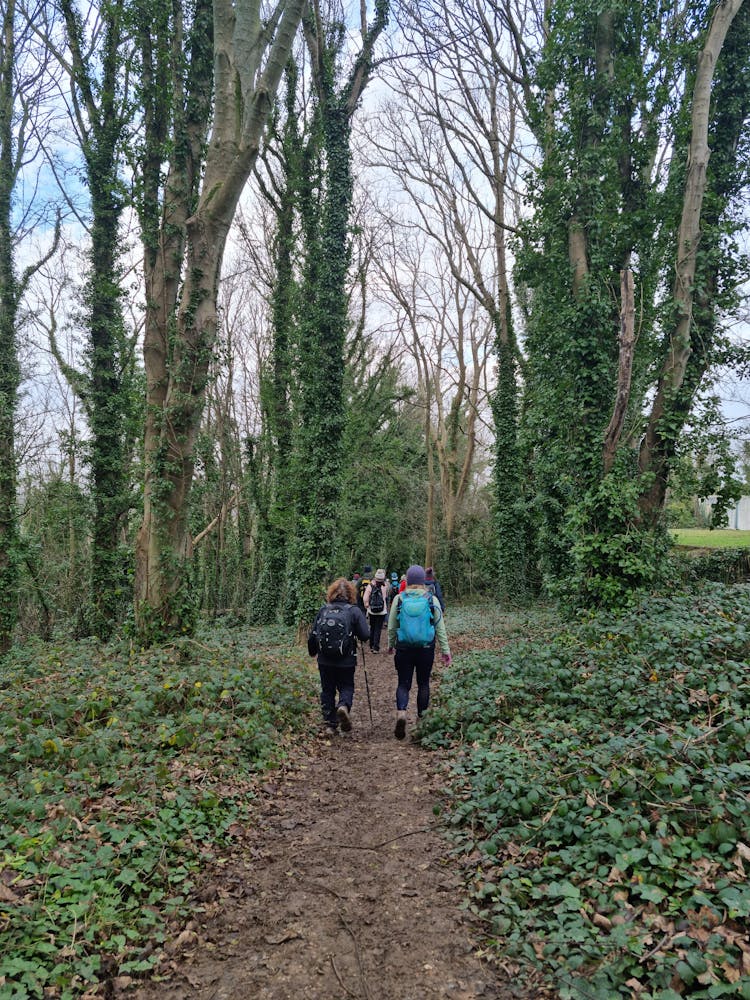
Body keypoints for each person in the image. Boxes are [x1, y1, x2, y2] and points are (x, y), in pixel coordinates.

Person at [387, 564, 451, 740]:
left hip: (404, 648)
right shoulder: (432, 600)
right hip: (426, 649)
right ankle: (421, 721)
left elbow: (392, 626)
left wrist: (391, 645)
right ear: (423, 580)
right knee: (423, 683)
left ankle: (401, 713)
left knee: (403, 683)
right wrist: (446, 651)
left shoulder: (399, 599)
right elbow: (440, 628)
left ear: (407, 580)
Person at [308, 578, 370, 734]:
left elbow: (313, 634)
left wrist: (312, 652)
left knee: (327, 689)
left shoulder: (323, 610)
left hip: (325, 659)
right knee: (347, 686)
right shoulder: (354, 611)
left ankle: (330, 724)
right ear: (351, 594)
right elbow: (365, 635)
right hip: (346, 660)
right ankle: (343, 706)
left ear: (331, 593)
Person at [363, 568, 389, 653]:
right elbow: (385, 597)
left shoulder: (370, 586)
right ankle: (376, 647)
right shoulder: (385, 586)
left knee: (372, 627)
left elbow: (365, 598)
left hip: (372, 610)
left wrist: (367, 605)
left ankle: (371, 645)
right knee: (378, 629)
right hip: (382, 611)